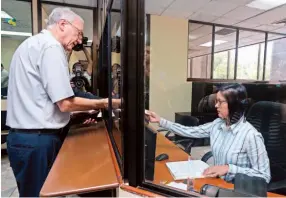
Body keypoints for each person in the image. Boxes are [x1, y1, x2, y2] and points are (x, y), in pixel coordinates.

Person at [6, 7, 119, 197]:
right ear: (63, 24)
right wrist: (105, 103)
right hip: (37, 142)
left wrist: (74, 119)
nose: (78, 40)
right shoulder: (51, 47)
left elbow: (44, 98)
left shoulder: (33, 44)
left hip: (27, 139)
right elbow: (65, 103)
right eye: (79, 33)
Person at [146, 84, 271, 183]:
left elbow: (264, 175)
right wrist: (160, 120)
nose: (216, 105)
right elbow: (190, 131)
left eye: (220, 102)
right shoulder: (217, 124)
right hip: (216, 182)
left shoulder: (250, 135)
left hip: (237, 190)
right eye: (216, 101)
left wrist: (229, 168)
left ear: (234, 105)